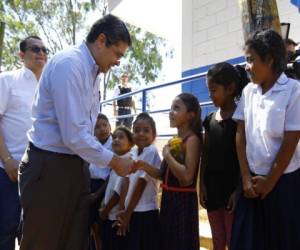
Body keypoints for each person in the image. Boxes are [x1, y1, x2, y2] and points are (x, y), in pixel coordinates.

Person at [18, 14, 134, 250]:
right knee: (43, 241)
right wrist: (114, 161)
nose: (118, 62)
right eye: (117, 54)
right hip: (50, 169)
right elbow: (74, 136)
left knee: (73, 242)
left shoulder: (91, 72)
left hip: (74, 168)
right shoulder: (70, 65)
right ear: (101, 40)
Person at [231, 29, 300, 250]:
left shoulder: (293, 91)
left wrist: (270, 181)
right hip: (251, 184)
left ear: (269, 59)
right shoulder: (249, 92)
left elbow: (291, 140)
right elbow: (240, 134)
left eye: (251, 60)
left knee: (281, 241)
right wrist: (245, 178)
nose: (246, 66)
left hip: (283, 184)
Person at [135, 93, 202, 250]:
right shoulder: (174, 141)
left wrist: (167, 155)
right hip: (169, 200)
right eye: (171, 108)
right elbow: (162, 175)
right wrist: (143, 165)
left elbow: (186, 177)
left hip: (182, 203)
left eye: (177, 108)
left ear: (190, 116)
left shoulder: (192, 140)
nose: (171, 112)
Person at [0, 35, 48, 250]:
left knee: (35, 231)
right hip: (8, 170)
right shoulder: (7, 80)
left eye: (45, 50)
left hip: (39, 172)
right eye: (35, 49)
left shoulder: (49, 86)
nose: (41, 53)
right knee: (5, 229)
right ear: (22, 55)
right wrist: (7, 159)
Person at [200, 62, 249, 250]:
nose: (210, 96)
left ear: (230, 89)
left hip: (231, 193)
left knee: (233, 239)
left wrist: (238, 191)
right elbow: (205, 153)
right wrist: (201, 184)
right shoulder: (209, 120)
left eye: (213, 90)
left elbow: (245, 158)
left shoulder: (242, 120)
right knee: (218, 240)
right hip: (212, 190)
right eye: (209, 91)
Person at [117, 113, 161, 250]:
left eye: (146, 130)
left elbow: (141, 184)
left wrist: (127, 212)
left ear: (154, 135)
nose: (141, 134)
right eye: (136, 130)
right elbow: (126, 180)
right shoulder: (133, 152)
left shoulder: (151, 151)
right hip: (132, 212)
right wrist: (123, 208)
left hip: (145, 213)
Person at [99, 126, 134, 250]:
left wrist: (105, 211)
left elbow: (118, 194)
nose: (116, 140)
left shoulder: (127, 161)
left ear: (130, 144)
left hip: (115, 217)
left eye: (121, 137)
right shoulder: (117, 161)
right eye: (114, 137)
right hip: (111, 215)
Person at [88, 113, 113, 250]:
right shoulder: (92, 144)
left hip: (104, 188)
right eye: (97, 127)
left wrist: (96, 195)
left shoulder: (114, 145)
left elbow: (112, 176)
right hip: (90, 186)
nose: (102, 129)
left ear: (110, 126)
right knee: (93, 226)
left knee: (101, 225)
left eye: (105, 125)